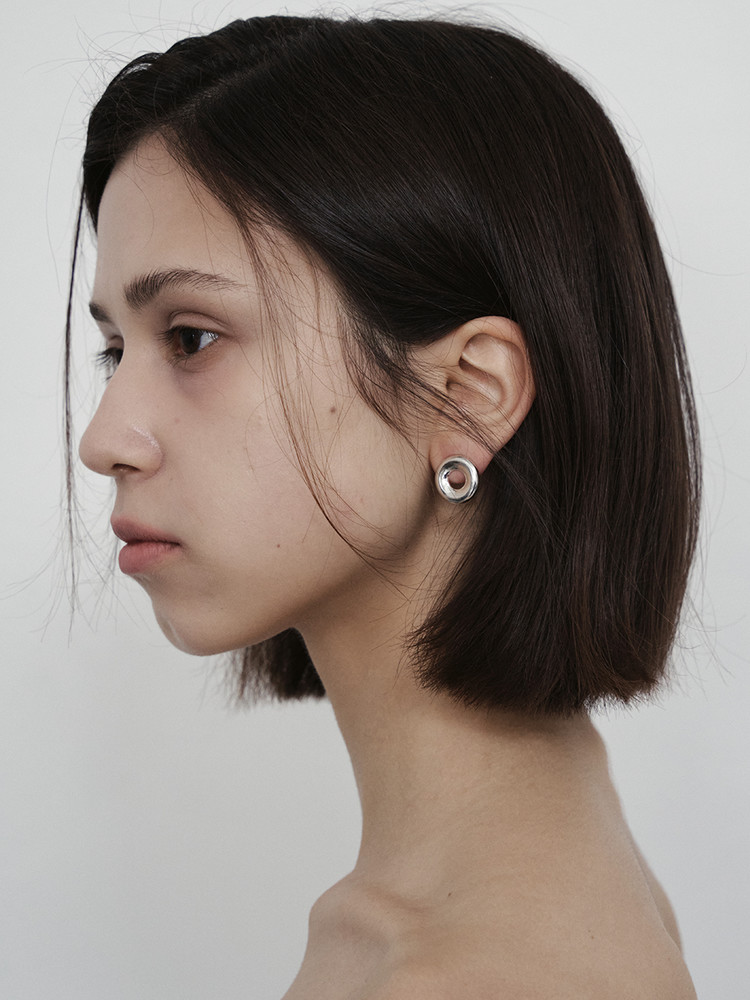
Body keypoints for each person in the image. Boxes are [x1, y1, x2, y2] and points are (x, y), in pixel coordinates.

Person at [68, 13, 701, 998]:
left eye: (190, 338)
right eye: (117, 350)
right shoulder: (558, 827)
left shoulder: (470, 975)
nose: (104, 439)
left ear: (468, 393)